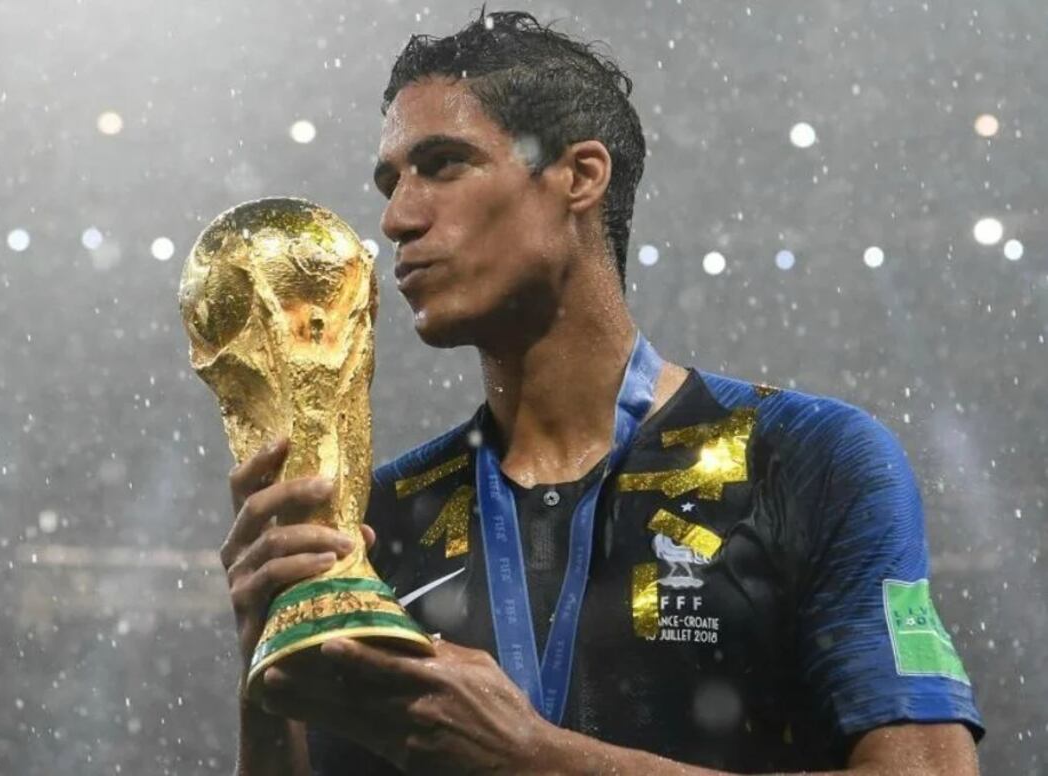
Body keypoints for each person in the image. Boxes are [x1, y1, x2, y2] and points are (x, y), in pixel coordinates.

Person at [218, 10, 983, 775]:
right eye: (390, 184)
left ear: (580, 177)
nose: (396, 219)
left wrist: (533, 759)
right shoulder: (376, 520)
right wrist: (265, 668)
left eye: (443, 165)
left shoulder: (807, 460)